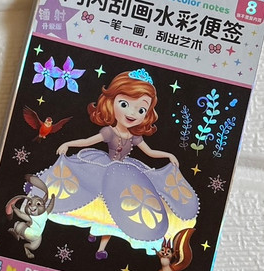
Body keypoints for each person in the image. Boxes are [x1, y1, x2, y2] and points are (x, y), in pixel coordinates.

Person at [37, 69, 198, 258]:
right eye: (124, 104)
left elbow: (150, 152)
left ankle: (101, 248)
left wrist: (168, 155)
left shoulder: (135, 136)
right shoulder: (109, 131)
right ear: (110, 103)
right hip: (103, 167)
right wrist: (68, 144)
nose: (132, 113)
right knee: (100, 203)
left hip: (126, 173)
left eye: (141, 110)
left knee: (120, 208)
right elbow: (88, 141)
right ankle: (94, 233)